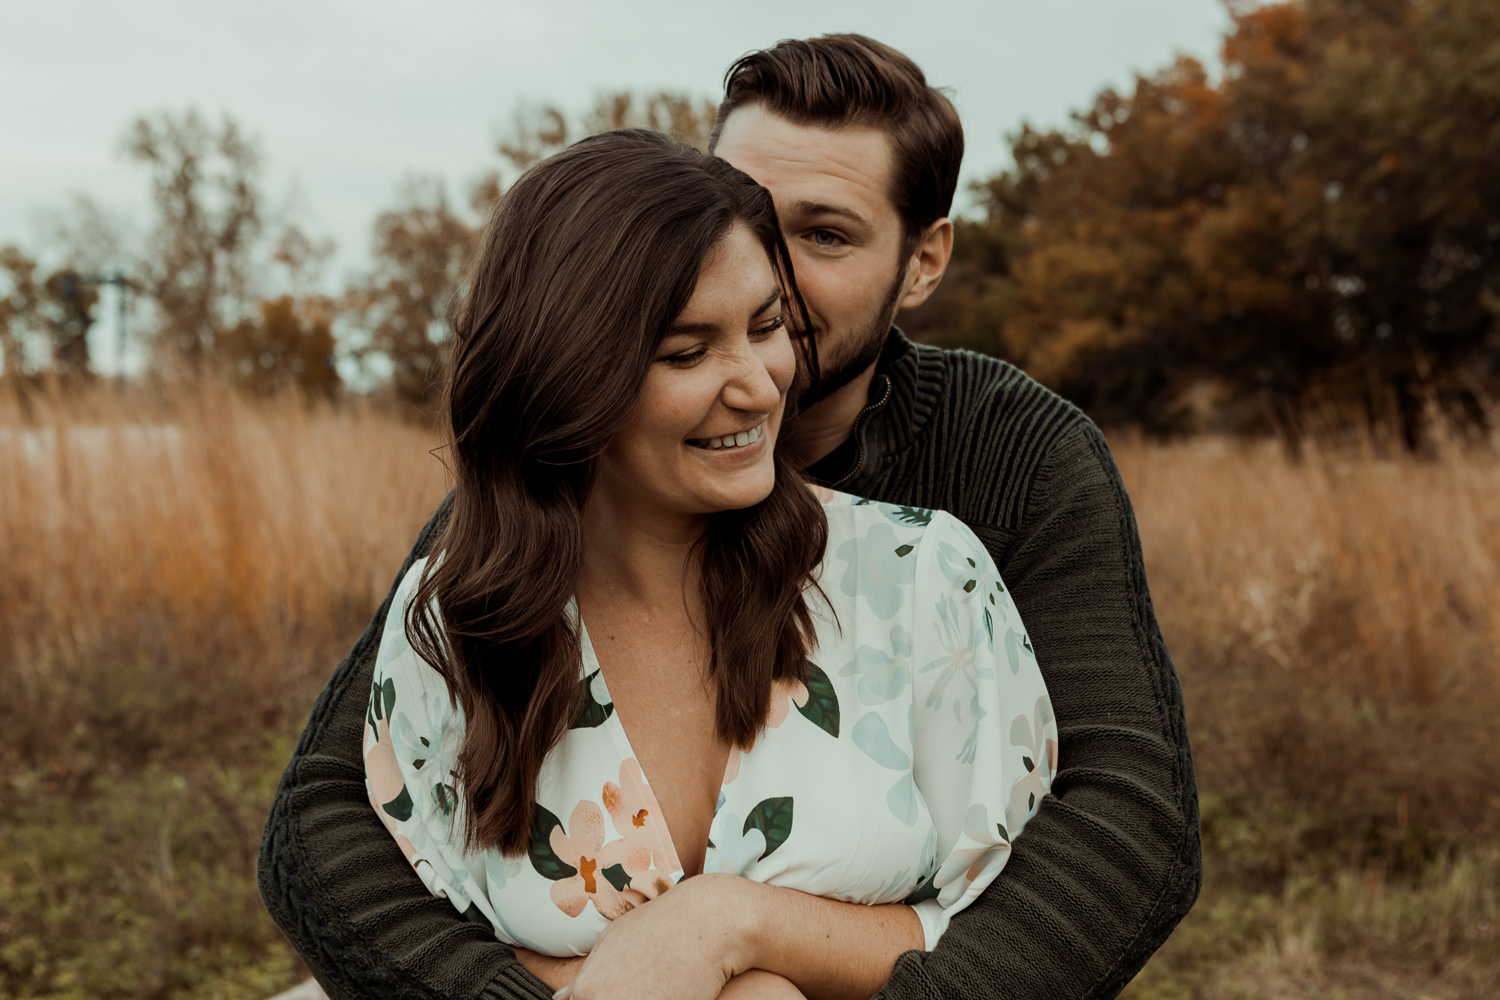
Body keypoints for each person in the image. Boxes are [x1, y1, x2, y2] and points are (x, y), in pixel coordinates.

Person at [258, 34, 1200, 1000]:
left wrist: (742, 938)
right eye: (740, 206)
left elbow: (1126, 816)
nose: (763, 270)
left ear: (922, 261)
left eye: (824, 234)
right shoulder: (545, 506)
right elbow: (339, 806)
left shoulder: (1010, 469)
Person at [362, 126, 1054, 1000]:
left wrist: (735, 936)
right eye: (689, 352)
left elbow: (1012, 932)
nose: (761, 386)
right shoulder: (453, 625)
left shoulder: (924, 581)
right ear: (568, 377)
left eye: (767, 326)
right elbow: (428, 939)